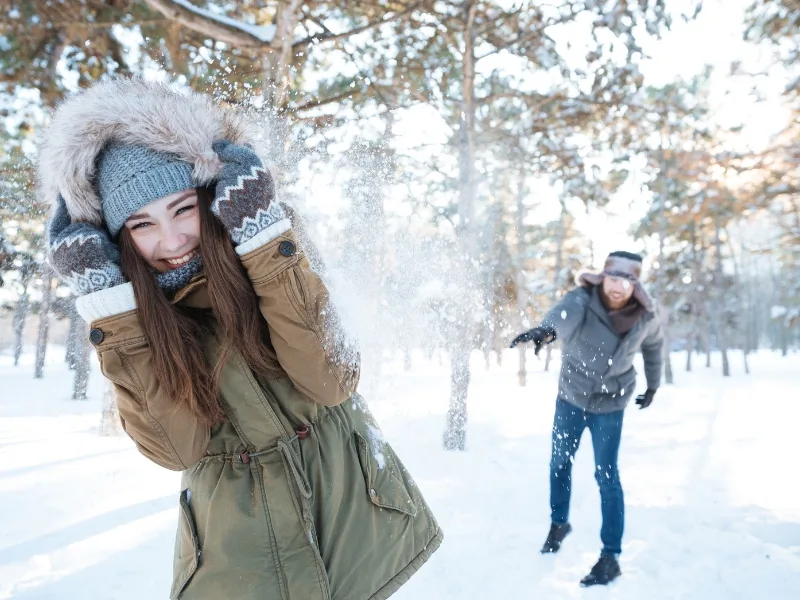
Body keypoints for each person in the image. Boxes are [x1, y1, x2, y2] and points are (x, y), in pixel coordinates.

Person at [40, 77, 443, 600]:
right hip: (242, 561)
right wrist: (109, 307)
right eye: (141, 224)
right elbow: (175, 448)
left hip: (354, 524)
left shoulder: (274, 244)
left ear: (209, 195)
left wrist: (262, 240)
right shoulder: (132, 317)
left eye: (183, 208)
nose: (171, 241)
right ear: (118, 241)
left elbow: (332, 380)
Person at [510, 251, 663, 587]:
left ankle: (611, 556)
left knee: (607, 475)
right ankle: (559, 522)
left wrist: (653, 385)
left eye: (628, 280)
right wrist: (546, 331)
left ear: (636, 284)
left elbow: (654, 347)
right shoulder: (583, 299)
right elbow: (563, 316)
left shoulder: (646, 315)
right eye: (614, 278)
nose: (619, 286)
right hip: (573, 397)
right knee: (559, 462)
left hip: (611, 403)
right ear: (602, 277)